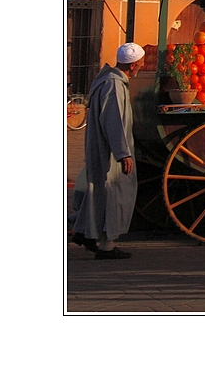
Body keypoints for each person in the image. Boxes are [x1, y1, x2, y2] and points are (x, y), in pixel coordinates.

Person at [72, 42, 145, 259]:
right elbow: (115, 122)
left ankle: (85, 232)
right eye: (140, 64)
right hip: (110, 152)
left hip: (102, 147)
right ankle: (107, 245)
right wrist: (123, 153)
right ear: (132, 66)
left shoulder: (106, 80)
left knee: (99, 192)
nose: (141, 67)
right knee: (115, 194)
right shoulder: (114, 85)